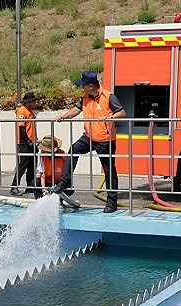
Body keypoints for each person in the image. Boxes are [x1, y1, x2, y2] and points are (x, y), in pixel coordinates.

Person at [53, 71, 127, 213]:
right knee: (74, 149)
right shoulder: (85, 98)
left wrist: (110, 117)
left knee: (109, 170)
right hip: (88, 137)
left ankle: (112, 203)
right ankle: (64, 182)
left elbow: (122, 113)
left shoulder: (108, 96)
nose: (82, 88)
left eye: (84, 86)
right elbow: (76, 110)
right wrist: (63, 117)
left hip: (105, 140)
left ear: (91, 86)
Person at [10, 91, 40, 197]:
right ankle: (14, 186)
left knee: (32, 164)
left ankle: (30, 186)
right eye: (33, 101)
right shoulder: (22, 111)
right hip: (24, 143)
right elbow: (21, 127)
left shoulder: (30, 111)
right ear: (28, 102)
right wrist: (27, 141)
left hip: (31, 142)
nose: (35, 103)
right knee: (23, 164)